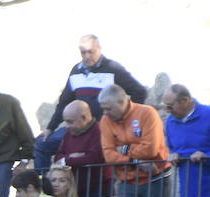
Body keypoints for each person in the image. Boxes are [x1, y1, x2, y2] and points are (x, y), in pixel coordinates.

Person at [36, 34, 148, 170]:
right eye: (83, 52)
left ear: (99, 49)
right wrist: (50, 128)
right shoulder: (76, 71)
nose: (87, 56)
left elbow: (139, 92)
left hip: (102, 128)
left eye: (91, 52)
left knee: (92, 159)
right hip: (76, 128)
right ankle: (46, 187)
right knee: (42, 144)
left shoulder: (113, 69)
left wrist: (124, 119)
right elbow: (64, 102)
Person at [99, 83, 172, 197]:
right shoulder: (105, 121)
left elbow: (150, 149)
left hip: (156, 177)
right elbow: (108, 155)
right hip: (127, 180)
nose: (105, 113)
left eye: (108, 108)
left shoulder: (147, 113)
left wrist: (123, 149)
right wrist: (135, 161)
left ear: (122, 102)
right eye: (103, 109)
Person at [55, 99, 108, 197]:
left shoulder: (99, 131)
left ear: (83, 118)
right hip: (74, 191)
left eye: (70, 122)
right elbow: (58, 157)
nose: (67, 126)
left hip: (97, 190)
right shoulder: (69, 133)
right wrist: (72, 158)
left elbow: (94, 158)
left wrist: (67, 160)